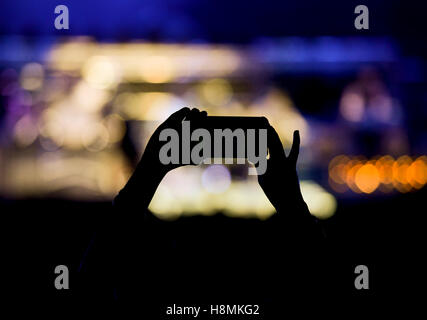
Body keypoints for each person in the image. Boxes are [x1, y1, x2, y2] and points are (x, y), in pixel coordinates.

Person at [78, 107, 328, 311]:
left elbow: (92, 282)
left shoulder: (146, 298)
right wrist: (291, 203)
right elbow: (327, 286)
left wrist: (148, 171)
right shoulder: (275, 298)